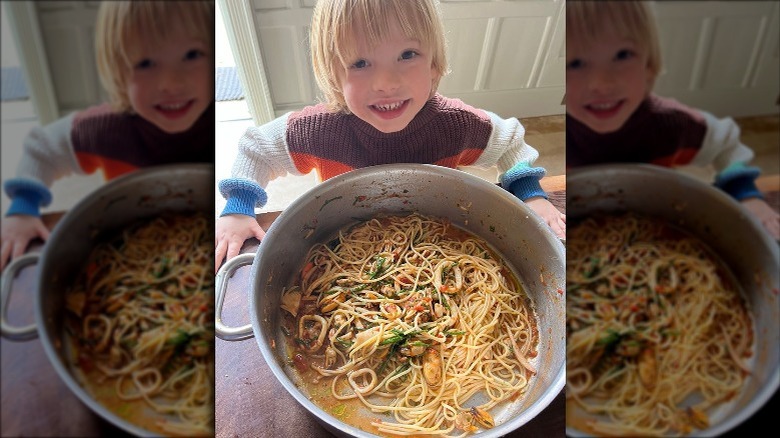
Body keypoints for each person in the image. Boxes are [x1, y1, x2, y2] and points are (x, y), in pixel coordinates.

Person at [215, 0, 566, 271]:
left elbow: (510, 141)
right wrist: (239, 208)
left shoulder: (455, 125)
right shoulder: (319, 130)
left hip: (438, 244)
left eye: (407, 54)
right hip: (343, 248)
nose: (386, 83)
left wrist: (530, 193)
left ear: (433, 63)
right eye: (360, 63)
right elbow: (256, 148)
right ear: (333, 74)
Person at [1, 1, 215, 270]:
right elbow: (42, 148)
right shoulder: (107, 129)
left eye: (193, 54)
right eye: (145, 63)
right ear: (117, 72)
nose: (170, 83)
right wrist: (23, 205)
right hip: (130, 253)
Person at [566, 0, 780, 239]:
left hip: (651, 228)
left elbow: (727, 145)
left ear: (649, 65)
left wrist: (746, 194)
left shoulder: (672, 125)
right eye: (574, 63)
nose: (601, 84)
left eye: (622, 54)